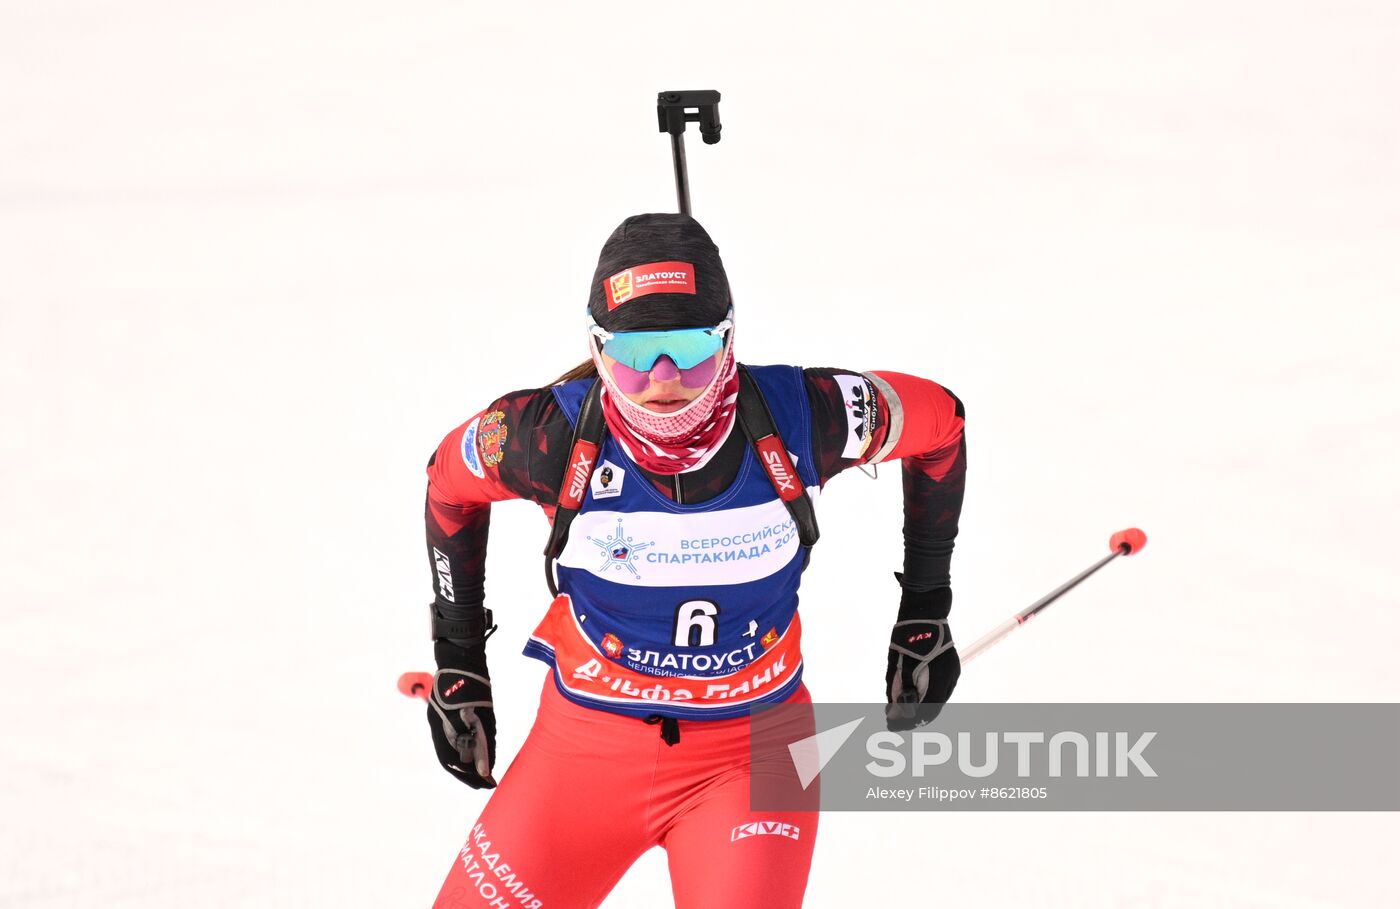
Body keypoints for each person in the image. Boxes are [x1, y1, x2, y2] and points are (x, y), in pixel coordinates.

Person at [422, 213, 966, 908]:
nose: (663, 378)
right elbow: (447, 482)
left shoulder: (809, 416)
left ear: (729, 339)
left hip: (752, 757)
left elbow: (941, 423)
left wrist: (925, 608)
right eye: (634, 353)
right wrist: (458, 654)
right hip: (583, 752)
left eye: (689, 347)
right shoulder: (544, 435)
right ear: (596, 346)